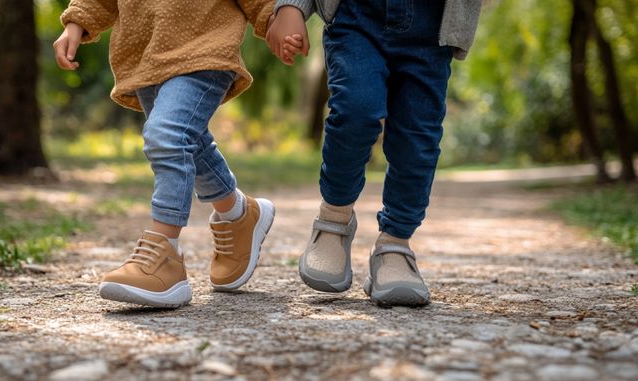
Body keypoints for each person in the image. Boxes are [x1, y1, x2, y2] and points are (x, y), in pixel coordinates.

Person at [54, 0, 278, 308]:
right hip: (146, 56)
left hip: (206, 47)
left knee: (167, 136)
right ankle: (238, 214)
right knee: (189, 142)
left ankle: (164, 255)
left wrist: (278, 16)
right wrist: (76, 23)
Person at [266, 0, 481, 306]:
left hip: (431, 31)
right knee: (355, 110)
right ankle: (334, 219)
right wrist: (292, 7)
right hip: (357, 18)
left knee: (417, 138)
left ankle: (395, 244)